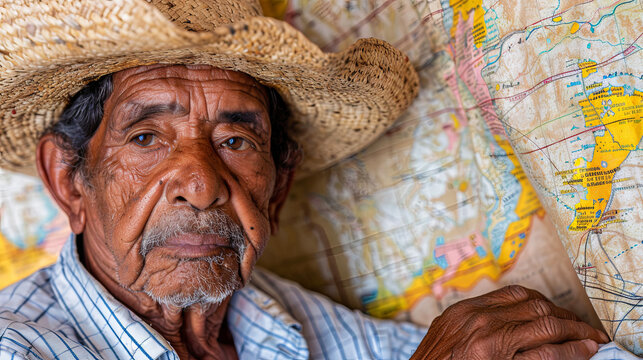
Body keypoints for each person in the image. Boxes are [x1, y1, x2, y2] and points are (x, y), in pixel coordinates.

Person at [0, 0, 622, 359]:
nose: (202, 184)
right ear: (69, 180)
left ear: (279, 186)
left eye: (235, 141)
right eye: (146, 138)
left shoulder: (268, 314)